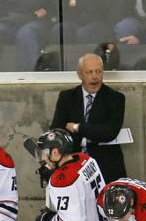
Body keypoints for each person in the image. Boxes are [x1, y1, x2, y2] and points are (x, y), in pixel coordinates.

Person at [19, 128, 108, 221]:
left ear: (55, 152)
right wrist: (55, 175)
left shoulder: (63, 180)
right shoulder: (86, 159)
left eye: (44, 153)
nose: (43, 158)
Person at [51, 52, 127, 182]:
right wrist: (92, 137)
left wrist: (77, 127)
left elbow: (109, 132)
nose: (95, 77)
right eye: (89, 72)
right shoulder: (67, 98)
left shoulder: (115, 99)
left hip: (106, 167)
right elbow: (57, 132)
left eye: (99, 72)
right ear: (79, 74)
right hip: (71, 165)